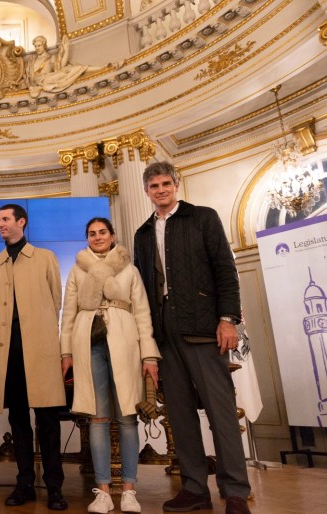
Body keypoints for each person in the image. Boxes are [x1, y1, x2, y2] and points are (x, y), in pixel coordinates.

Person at [132, 161, 251, 514]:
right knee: (180, 419)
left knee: (222, 414)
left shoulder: (203, 217)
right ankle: (195, 488)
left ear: (176, 185)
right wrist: (148, 347)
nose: (161, 190)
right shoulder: (141, 233)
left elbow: (225, 272)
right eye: (154, 186)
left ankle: (235, 493)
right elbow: (143, 291)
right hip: (165, 338)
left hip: (203, 332)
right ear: (146, 191)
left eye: (166, 183)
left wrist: (228, 320)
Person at [60, 217, 160, 514]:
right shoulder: (78, 270)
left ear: (112, 235)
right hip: (88, 343)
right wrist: (65, 352)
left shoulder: (129, 269)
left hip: (125, 343)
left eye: (102, 232)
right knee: (98, 417)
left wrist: (149, 355)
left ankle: (129, 489)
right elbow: (68, 314)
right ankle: (102, 490)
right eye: (92, 233)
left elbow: (142, 313)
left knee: (128, 416)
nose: (97, 237)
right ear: (86, 238)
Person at [0, 204, 68, 511]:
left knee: (48, 421)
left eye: (5, 219)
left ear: (22, 222)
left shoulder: (46, 258)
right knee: (18, 420)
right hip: (10, 353)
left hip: (42, 350)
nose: (0, 224)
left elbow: (55, 301)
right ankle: (24, 484)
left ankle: (55, 487)